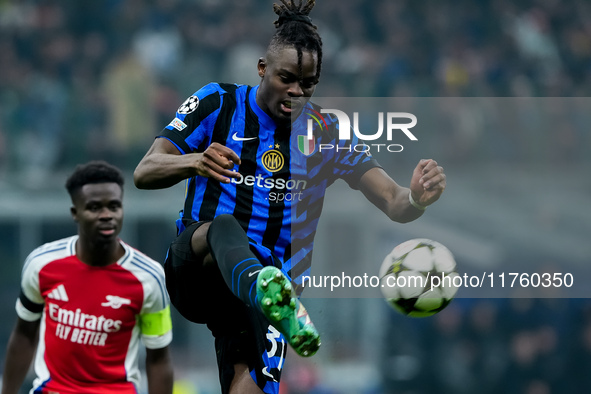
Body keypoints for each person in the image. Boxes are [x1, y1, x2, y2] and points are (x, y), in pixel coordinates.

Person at [134, 1, 445, 393]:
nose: (295, 92)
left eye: (308, 83)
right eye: (286, 78)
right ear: (262, 68)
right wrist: (194, 161)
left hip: (271, 298)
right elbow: (145, 172)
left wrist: (416, 196)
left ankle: (269, 295)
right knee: (225, 226)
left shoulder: (327, 132)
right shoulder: (218, 103)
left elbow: (394, 202)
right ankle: (262, 287)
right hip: (197, 271)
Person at [1, 161, 174, 394]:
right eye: (94, 207)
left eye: (114, 206)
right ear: (75, 213)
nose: (106, 215)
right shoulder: (41, 264)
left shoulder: (150, 278)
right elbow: (24, 334)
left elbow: (159, 358)